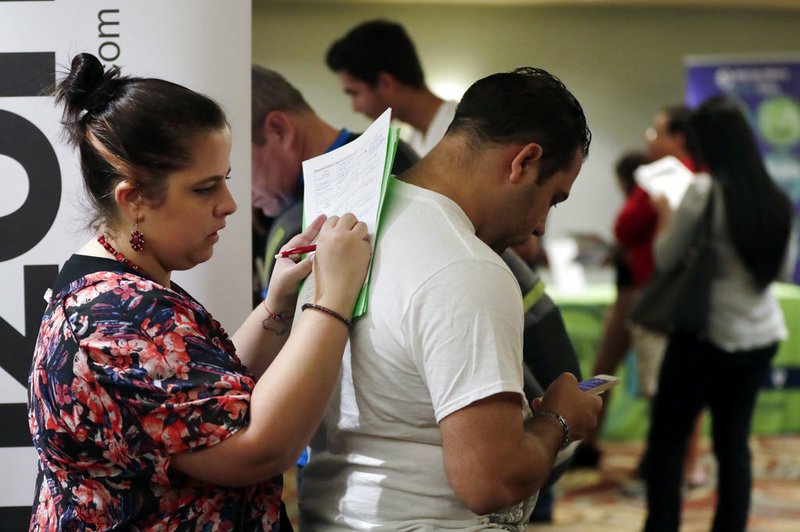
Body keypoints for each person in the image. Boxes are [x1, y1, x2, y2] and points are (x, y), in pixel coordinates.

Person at [27, 53, 371, 530]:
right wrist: (331, 300)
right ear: (135, 199)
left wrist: (278, 304)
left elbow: (203, 401)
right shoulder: (117, 318)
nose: (229, 206)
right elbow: (257, 449)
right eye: (204, 189)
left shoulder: (119, 290)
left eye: (225, 181)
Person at [298, 67, 603, 530]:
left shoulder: (350, 223)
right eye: (553, 199)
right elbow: (489, 482)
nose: (541, 225)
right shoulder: (468, 266)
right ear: (524, 161)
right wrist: (560, 419)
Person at [644, 95, 794, 532]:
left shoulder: (705, 191)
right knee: (733, 444)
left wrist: (664, 214)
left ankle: (663, 526)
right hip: (760, 335)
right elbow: (780, 270)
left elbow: (665, 257)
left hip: (704, 335)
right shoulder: (775, 198)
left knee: (668, 441)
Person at [251, 65, 419, 289]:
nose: (236, 196)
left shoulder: (388, 167)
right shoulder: (292, 199)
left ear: (279, 129)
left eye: (239, 166)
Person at [571, 150, 653, 468]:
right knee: (630, 377)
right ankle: (595, 444)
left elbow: (624, 233)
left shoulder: (644, 204)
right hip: (638, 296)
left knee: (604, 374)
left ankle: (590, 443)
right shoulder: (652, 207)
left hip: (632, 298)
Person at [325, 19, 458, 157]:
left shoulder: (462, 133)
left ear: (385, 83)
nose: (355, 108)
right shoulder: (417, 139)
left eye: (355, 93)